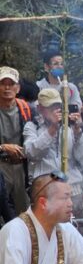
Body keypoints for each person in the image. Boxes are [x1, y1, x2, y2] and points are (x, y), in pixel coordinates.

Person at [24, 88, 83, 210]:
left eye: (57, 106)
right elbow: (31, 153)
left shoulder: (69, 126)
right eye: (50, 107)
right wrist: (52, 129)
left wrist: (78, 131)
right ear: (40, 108)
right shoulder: (32, 126)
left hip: (73, 190)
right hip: (46, 190)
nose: (55, 110)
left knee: (77, 222)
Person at [0, 66, 32, 215]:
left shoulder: (26, 109)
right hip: (1, 165)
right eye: (3, 83)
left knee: (24, 213)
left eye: (11, 84)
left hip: (21, 166)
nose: (7, 88)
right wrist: (3, 147)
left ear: (18, 88)